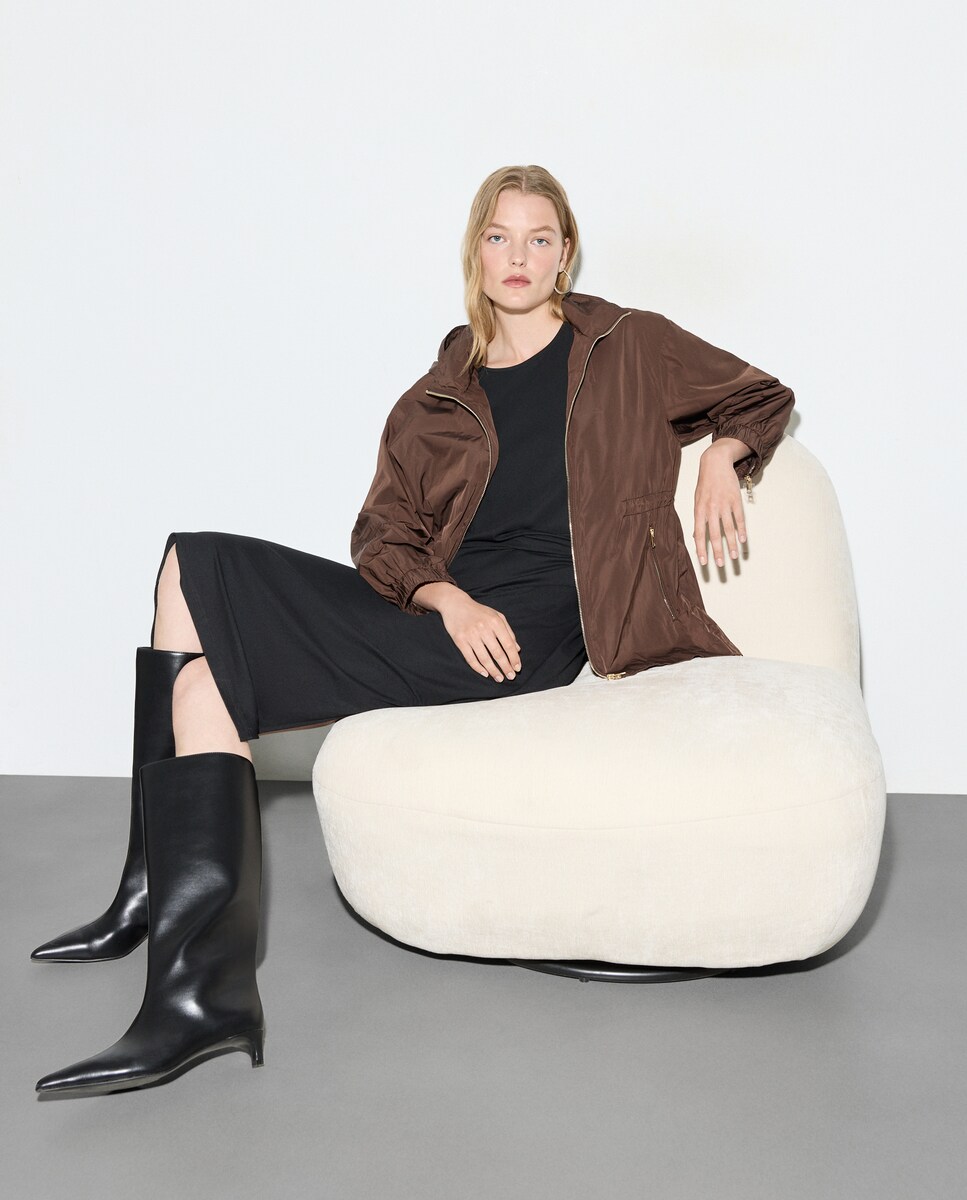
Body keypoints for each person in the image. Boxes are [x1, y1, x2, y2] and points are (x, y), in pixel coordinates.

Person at [33, 165, 794, 1098]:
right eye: (499, 237)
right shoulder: (437, 395)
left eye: (539, 238)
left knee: (203, 667)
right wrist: (446, 599)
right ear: (475, 252)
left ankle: (192, 979)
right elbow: (382, 539)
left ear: (565, 254)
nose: (518, 256)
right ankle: (161, 913)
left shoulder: (626, 344)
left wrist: (720, 454)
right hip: (448, 615)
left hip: (529, 633)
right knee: (191, 565)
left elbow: (759, 394)